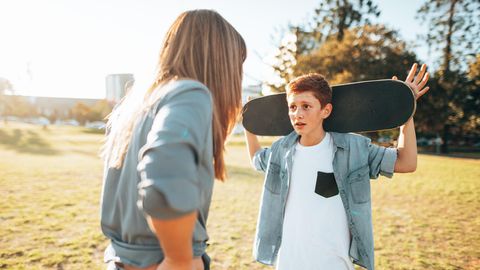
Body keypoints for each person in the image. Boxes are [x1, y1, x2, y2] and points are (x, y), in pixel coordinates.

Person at [244, 63, 430, 270]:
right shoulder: (281, 151)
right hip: (289, 261)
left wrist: (405, 111)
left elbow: (406, 162)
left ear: (326, 110)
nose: (297, 114)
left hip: (334, 263)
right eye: (292, 106)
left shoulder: (353, 149)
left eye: (306, 106)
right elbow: (257, 159)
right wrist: (248, 125)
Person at [100, 9, 246, 270]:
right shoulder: (191, 93)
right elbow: (164, 172)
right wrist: (178, 260)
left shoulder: (135, 105)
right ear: (221, 62)